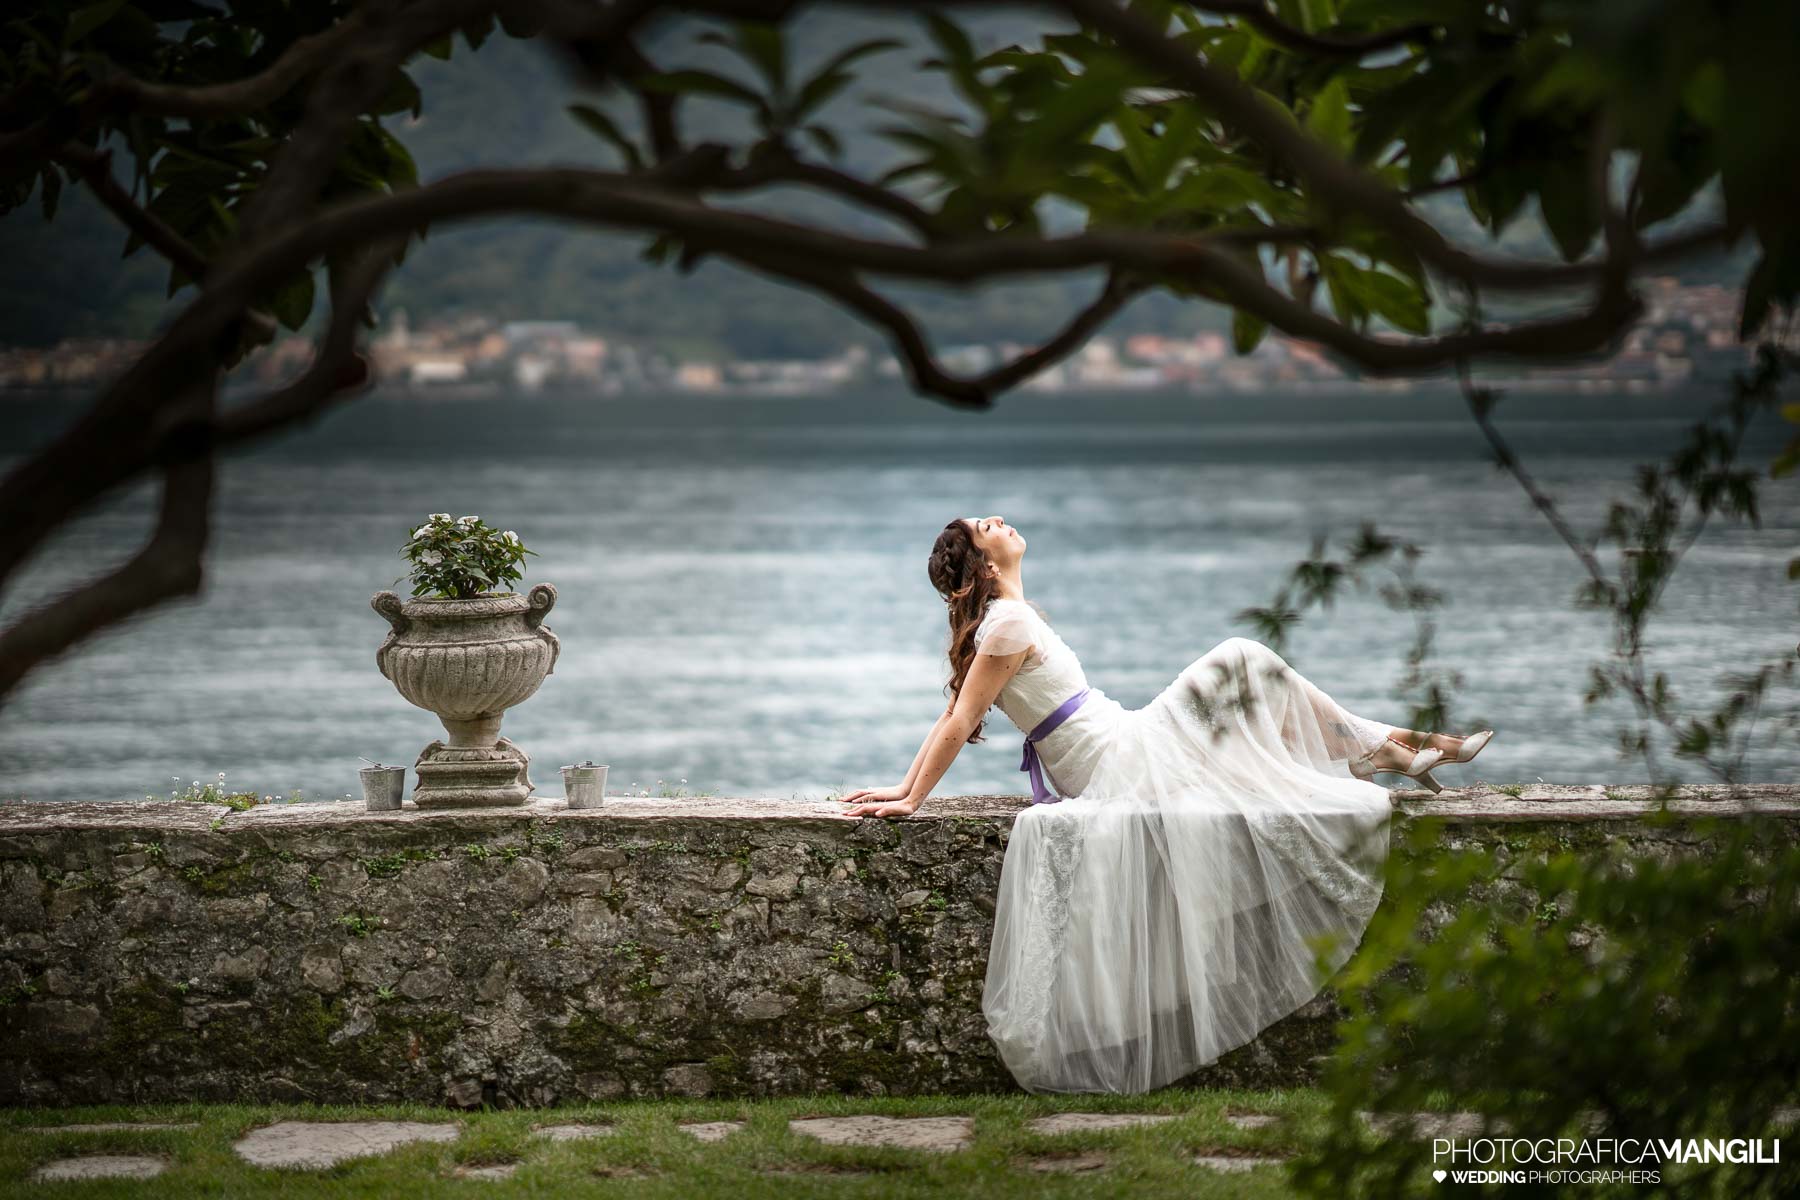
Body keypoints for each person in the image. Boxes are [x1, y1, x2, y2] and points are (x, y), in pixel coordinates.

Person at [839, 514, 1494, 1094]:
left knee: (1248, 689)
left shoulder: (1013, 614)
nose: (1003, 520)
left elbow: (953, 714)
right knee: (1242, 660)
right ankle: (1393, 749)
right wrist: (911, 797)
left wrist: (904, 788)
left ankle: (1390, 750)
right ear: (986, 563)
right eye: (989, 526)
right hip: (1119, 759)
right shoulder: (1006, 622)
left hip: (1117, 748)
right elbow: (957, 720)